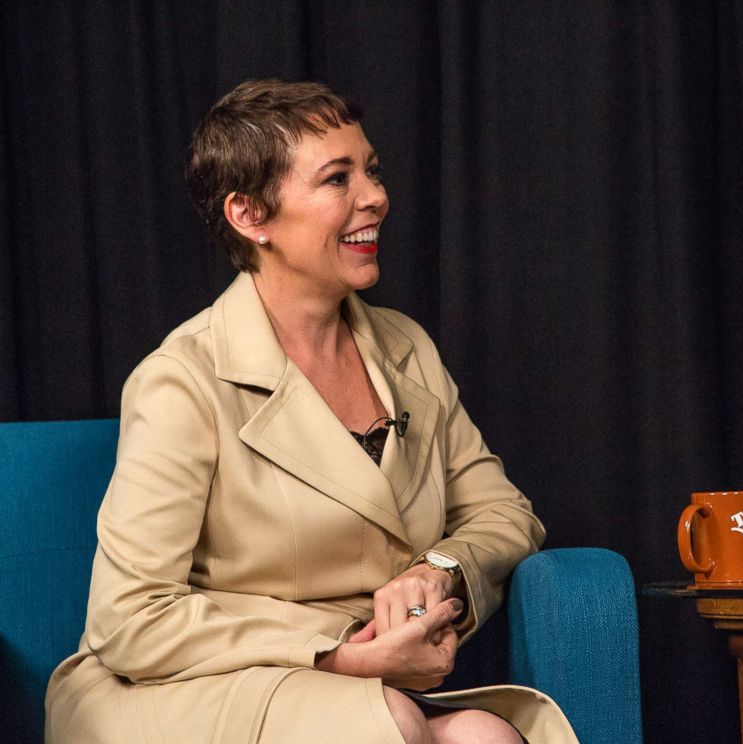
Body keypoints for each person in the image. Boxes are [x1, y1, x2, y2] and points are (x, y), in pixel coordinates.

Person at [44, 79, 578, 744]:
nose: (375, 197)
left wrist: (435, 573)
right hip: (185, 689)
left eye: (371, 171)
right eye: (337, 179)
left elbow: (503, 513)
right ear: (250, 216)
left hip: (363, 686)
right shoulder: (179, 380)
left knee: (484, 737)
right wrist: (341, 654)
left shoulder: (405, 347)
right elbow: (130, 621)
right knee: (392, 721)